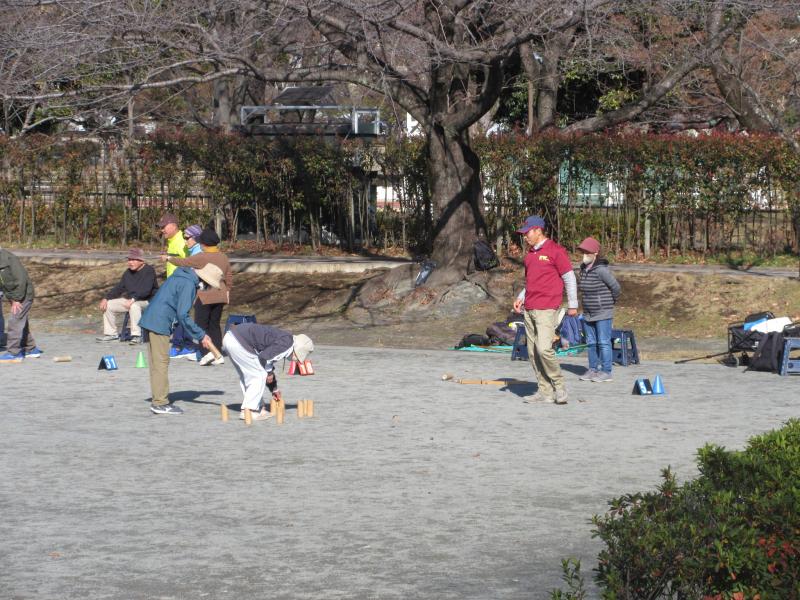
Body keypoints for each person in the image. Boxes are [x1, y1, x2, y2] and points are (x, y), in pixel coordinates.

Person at [138, 264, 223, 415]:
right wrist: (201, 335)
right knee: (161, 363)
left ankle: (158, 399)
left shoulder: (182, 275)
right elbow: (183, 314)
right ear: (205, 280)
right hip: (159, 322)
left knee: (156, 363)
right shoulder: (188, 284)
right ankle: (160, 403)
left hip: (152, 318)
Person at [512, 216, 578, 405]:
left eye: (527, 233)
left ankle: (559, 386)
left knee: (544, 349)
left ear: (538, 231)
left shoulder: (556, 251)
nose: (525, 237)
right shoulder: (530, 255)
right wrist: (521, 297)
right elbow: (532, 282)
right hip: (529, 308)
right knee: (533, 352)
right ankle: (544, 392)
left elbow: (569, 278)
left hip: (547, 308)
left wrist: (573, 304)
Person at [164, 228, 232, 364]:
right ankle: (217, 352)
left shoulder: (202, 257)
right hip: (220, 296)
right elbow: (228, 276)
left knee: (201, 326)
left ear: (204, 244)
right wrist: (228, 291)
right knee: (215, 325)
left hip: (205, 296)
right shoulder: (223, 257)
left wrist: (168, 258)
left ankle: (205, 353)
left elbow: (184, 262)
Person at [222, 322, 314, 420]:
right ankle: (249, 410)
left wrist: (274, 389)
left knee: (249, 376)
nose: (294, 360)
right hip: (239, 341)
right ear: (298, 351)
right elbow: (264, 358)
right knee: (259, 375)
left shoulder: (285, 340)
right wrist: (269, 373)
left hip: (230, 337)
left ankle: (257, 407)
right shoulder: (286, 345)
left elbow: (265, 362)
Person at [576, 237, 621, 383]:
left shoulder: (601, 270)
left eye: (587, 251)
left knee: (603, 342)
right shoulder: (583, 269)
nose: (584, 254)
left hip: (603, 312)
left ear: (595, 253)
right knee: (591, 342)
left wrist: (609, 302)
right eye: (583, 251)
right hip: (588, 312)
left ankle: (606, 371)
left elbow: (616, 287)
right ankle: (592, 369)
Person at [96, 248, 159, 344]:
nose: (130, 262)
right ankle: (111, 334)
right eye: (129, 260)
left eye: (133, 260)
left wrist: (133, 300)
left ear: (141, 261)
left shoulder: (149, 271)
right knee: (108, 305)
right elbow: (119, 288)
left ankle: (136, 335)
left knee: (134, 306)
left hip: (148, 301)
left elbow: (146, 290)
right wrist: (106, 298)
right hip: (132, 300)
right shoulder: (127, 273)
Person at [0, 247, 43, 361]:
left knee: (14, 321)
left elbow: (21, 279)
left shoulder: (9, 259)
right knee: (21, 320)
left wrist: (16, 299)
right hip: (14, 295)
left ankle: (14, 353)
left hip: (23, 295)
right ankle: (31, 349)